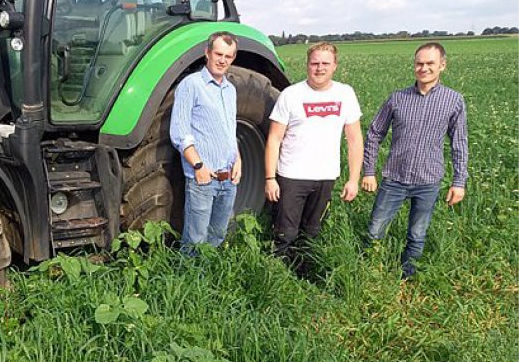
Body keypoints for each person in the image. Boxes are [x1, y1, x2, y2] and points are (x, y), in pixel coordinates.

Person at [361, 42, 468, 280]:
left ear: (442, 65)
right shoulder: (397, 98)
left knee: (417, 234)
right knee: (375, 229)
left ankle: (407, 276)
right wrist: (369, 171)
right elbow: (374, 133)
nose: (424, 68)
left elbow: (459, 143)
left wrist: (459, 182)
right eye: (419, 63)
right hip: (394, 178)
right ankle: (368, 273)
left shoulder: (454, 101)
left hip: (428, 181)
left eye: (430, 63)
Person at [265, 42, 363, 263]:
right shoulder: (291, 95)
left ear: (335, 66)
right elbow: (274, 138)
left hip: (325, 176)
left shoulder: (345, 94)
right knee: (285, 233)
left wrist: (354, 179)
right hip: (292, 176)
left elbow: (355, 139)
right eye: (314, 63)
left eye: (325, 63)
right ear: (307, 65)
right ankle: (278, 277)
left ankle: (304, 277)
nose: (319, 68)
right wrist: (270, 178)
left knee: (311, 232)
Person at [170, 32, 241, 248]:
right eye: (218, 54)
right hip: (203, 178)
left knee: (217, 238)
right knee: (195, 241)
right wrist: (198, 165)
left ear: (233, 58)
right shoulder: (191, 85)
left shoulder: (230, 90)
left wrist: (238, 159)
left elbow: (230, 129)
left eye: (228, 56)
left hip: (228, 178)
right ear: (207, 53)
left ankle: (210, 281)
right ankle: (190, 281)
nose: (222, 60)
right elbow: (179, 132)